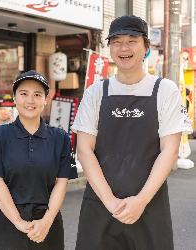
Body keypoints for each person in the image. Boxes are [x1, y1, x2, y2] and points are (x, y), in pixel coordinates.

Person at [72, 15, 193, 250]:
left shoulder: (164, 90)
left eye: (132, 40)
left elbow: (170, 149)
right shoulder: (96, 92)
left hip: (149, 206)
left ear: (147, 47)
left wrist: (141, 200)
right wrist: (109, 201)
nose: (124, 48)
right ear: (109, 48)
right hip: (100, 205)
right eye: (116, 41)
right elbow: (84, 149)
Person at [0, 70, 78, 250]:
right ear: (14, 98)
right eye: (24, 94)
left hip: (48, 222)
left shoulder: (60, 137)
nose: (30, 100)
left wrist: (46, 221)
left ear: (45, 99)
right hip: (8, 221)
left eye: (37, 95)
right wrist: (18, 222)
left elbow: (61, 183)